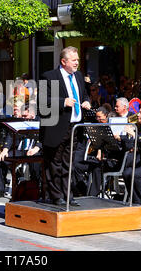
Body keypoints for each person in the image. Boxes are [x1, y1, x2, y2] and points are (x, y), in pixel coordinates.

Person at [38, 46, 91, 206]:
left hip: (74, 127)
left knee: (69, 163)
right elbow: (42, 103)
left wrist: (87, 101)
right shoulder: (50, 77)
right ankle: (56, 196)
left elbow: (84, 94)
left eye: (78, 60)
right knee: (55, 162)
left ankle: (68, 195)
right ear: (63, 61)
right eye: (74, 60)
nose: (77, 63)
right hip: (56, 127)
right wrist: (63, 102)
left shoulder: (79, 76)